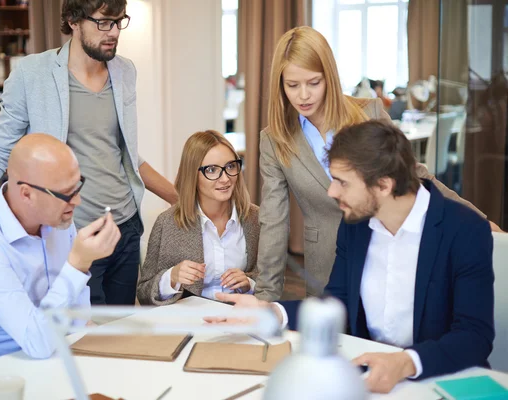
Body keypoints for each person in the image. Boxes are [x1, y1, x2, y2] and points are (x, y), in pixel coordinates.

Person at [0, 0, 178, 305]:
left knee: (120, 336)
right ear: (73, 20)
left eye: (119, 22)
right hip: (71, 234)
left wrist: (182, 200)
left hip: (124, 229)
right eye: (104, 22)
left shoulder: (124, 72)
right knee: (79, 339)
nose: (114, 33)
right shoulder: (33, 74)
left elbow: (128, 156)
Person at [208, 121, 494, 393]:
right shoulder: (355, 225)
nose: (331, 192)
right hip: (368, 376)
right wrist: (273, 312)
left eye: (342, 182)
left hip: (437, 378)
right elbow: (338, 304)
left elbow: (474, 336)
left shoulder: (465, 230)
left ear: (384, 185)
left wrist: (406, 362)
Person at [254, 26, 494, 302]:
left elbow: (414, 175)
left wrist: (476, 219)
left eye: (314, 82)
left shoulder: (368, 112)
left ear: (329, 77)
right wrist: (264, 299)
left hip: (388, 249)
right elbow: (273, 220)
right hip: (327, 264)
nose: (303, 95)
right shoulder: (274, 140)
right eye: (292, 85)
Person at [0, 134, 122, 365]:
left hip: (57, 352)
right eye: (66, 193)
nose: (78, 201)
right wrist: (78, 265)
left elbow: (78, 316)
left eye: (78, 186)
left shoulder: (57, 218)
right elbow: (36, 343)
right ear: (26, 193)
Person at [137, 131, 260, 305]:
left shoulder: (256, 219)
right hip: (187, 322)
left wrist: (250, 283)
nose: (225, 178)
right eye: (211, 170)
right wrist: (171, 278)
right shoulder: (167, 222)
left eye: (231, 166)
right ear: (192, 175)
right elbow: (144, 293)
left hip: (240, 319)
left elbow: (273, 283)